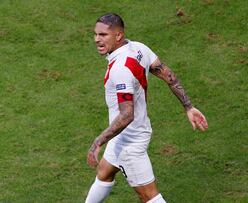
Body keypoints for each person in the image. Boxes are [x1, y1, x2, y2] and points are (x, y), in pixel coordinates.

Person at [85, 13, 208, 203]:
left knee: (149, 196)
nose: (97, 40)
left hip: (128, 142)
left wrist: (98, 141)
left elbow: (127, 115)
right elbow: (167, 74)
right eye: (96, 34)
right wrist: (188, 107)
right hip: (126, 136)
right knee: (104, 172)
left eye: (103, 35)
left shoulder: (120, 68)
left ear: (118, 35)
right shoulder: (138, 48)